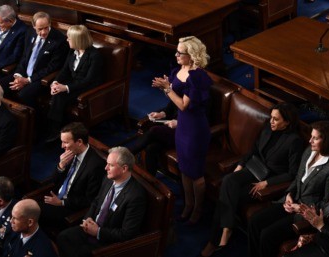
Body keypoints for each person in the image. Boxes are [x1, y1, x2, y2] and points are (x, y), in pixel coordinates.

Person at [199, 102, 304, 257]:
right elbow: (253, 150)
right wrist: (240, 165)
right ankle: (227, 229)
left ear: (287, 122)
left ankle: (214, 241)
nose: (271, 121)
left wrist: (267, 183)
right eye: (271, 117)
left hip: (268, 179)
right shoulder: (268, 128)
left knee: (226, 196)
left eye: (276, 119)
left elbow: (292, 173)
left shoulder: (294, 141)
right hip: (254, 168)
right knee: (229, 181)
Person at [247, 120, 329, 257]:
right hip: (291, 202)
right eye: (311, 136)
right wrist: (289, 194)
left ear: (327, 141)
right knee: (254, 221)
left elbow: (328, 203)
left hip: (303, 214)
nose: (310, 141)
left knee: (267, 235)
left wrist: (301, 208)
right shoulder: (310, 150)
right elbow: (298, 177)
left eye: (315, 138)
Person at [152, 36, 212, 225]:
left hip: (195, 130)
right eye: (177, 51)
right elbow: (173, 95)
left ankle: (198, 209)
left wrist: (167, 88)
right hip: (182, 127)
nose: (176, 54)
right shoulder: (179, 69)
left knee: (196, 173)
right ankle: (188, 204)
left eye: (180, 52)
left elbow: (184, 105)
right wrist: (166, 86)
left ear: (192, 55)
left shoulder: (198, 77)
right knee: (184, 169)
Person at [57, 146, 147, 257]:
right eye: (107, 163)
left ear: (124, 168)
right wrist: (88, 218)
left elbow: (127, 234)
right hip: (91, 227)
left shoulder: (135, 196)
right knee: (62, 237)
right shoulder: (108, 179)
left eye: (111, 165)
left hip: (107, 241)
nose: (106, 168)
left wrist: (98, 232)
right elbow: (96, 201)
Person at [39, 122, 106, 230]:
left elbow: (90, 200)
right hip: (56, 196)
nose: (62, 146)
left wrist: (62, 202)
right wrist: (61, 166)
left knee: (31, 210)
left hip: (70, 208)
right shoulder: (70, 154)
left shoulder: (95, 165)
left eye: (65, 142)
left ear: (79, 142)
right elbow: (54, 181)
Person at [45, 25, 104, 143]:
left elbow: (89, 80)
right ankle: (54, 128)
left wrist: (65, 87)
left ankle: (55, 129)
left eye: (69, 38)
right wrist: (55, 82)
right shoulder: (72, 51)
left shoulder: (95, 55)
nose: (66, 40)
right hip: (74, 83)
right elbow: (64, 70)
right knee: (56, 91)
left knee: (60, 95)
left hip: (87, 88)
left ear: (78, 40)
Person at [0, 11, 68, 108]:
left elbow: (52, 67)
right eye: (40, 29)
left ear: (50, 24)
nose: (43, 32)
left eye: (46, 28)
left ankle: (31, 120)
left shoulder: (59, 40)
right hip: (24, 73)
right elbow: (24, 56)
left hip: (40, 78)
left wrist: (27, 80)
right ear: (34, 26)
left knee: (24, 95)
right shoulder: (29, 32)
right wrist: (18, 75)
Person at [128, 101, 177, 176]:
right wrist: (162, 114)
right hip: (172, 127)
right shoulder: (182, 91)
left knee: (154, 130)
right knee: (150, 147)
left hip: (186, 134)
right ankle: (150, 180)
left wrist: (179, 122)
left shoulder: (195, 93)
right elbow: (173, 105)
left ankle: (125, 156)